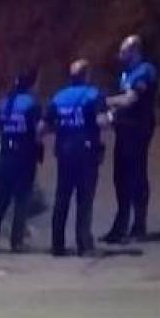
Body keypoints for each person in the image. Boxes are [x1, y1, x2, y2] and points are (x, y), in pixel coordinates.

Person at [46, 59, 110, 258]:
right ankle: (84, 244)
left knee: (62, 199)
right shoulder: (93, 95)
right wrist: (112, 117)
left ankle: (57, 245)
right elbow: (102, 122)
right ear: (86, 75)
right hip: (86, 153)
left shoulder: (58, 97)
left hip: (64, 153)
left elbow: (44, 126)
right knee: (84, 199)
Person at [103, 34, 159, 244]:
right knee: (120, 176)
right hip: (124, 129)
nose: (120, 55)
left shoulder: (145, 71)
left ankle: (138, 225)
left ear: (134, 51)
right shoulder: (126, 72)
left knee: (136, 175)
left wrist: (104, 101)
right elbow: (122, 103)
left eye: (124, 51)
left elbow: (130, 99)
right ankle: (121, 225)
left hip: (138, 129)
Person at [0, 68, 43, 254]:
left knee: (1, 201)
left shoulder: (5, 102)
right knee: (21, 200)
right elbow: (38, 129)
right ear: (32, 83)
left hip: (6, 154)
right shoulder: (32, 104)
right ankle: (17, 242)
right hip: (24, 156)